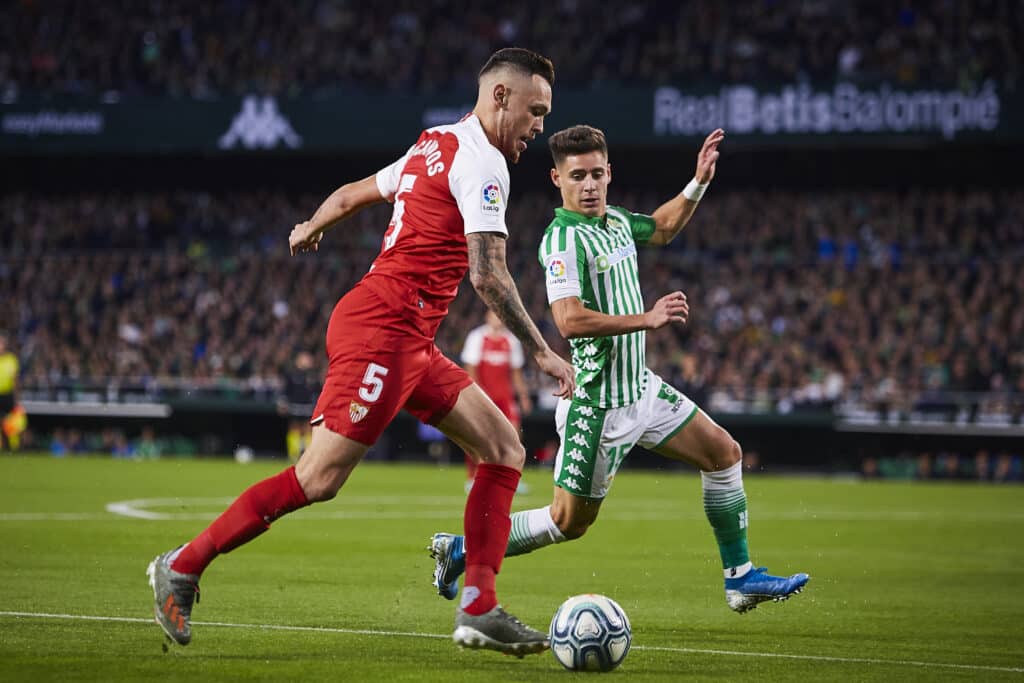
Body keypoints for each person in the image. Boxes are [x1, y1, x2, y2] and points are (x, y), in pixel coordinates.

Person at [147, 48, 575, 656]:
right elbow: (488, 275)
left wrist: (311, 225)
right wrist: (541, 352)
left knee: (504, 446)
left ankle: (479, 605)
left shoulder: (434, 143)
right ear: (500, 97)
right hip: (383, 330)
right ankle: (182, 567)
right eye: (536, 111)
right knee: (318, 478)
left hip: (409, 338)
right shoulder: (483, 163)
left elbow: (353, 193)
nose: (540, 126)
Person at [429, 125, 809, 614]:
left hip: (641, 390)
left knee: (724, 453)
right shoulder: (562, 239)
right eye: (576, 176)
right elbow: (567, 320)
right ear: (556, 178)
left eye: (595, 174)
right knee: (568, 522)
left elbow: (664, 227)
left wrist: (698, 182)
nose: (588, 185)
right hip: (598, 405)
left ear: (609, 174)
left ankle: (740, 579)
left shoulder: (615, 222)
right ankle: (462, 550)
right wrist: (645, 319)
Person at [460, 309, 533, 493]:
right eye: (494, 316)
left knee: (515, 437)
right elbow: (470, 370)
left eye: (500, 317)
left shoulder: (511, 341)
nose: (497, 320)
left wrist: (523, 396)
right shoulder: (476, 337)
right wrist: (474, 396)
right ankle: (472, 477)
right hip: (484, 396)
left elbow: (516, 374)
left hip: (505, 397)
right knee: (478, 436)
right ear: (487, 317)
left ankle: (512, 479)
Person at [0, 334, 20, 452]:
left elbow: (15, 380)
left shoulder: (11, 359)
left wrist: (16, 398)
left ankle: (13, 447)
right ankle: (4, 445)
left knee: (10, 422)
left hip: (7, 395)